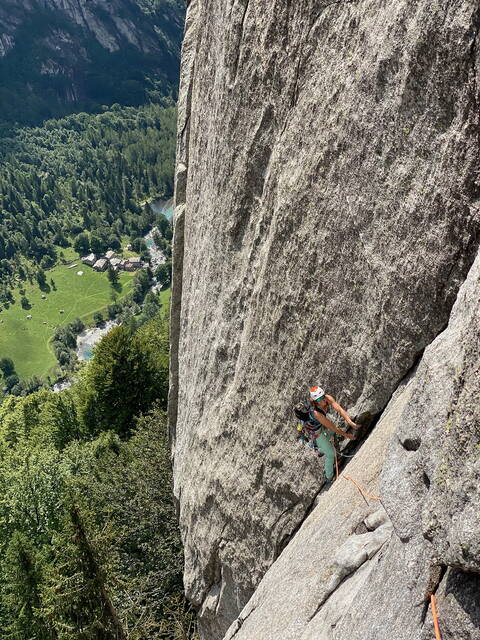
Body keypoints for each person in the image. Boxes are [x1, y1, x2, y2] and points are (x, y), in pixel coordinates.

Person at [294, 385, 359, 482]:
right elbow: (332, 427)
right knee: (330, 454)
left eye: (323, 396)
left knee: (335, 430)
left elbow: (340, 409)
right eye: (320, 399)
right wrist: (347, 435)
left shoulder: (327, 398)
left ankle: (330, 451)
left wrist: (350, 422)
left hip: (321, 427)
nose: (323, 400)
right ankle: (328, 476)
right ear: (316, 401)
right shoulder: (316, 413)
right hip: (317, 435)